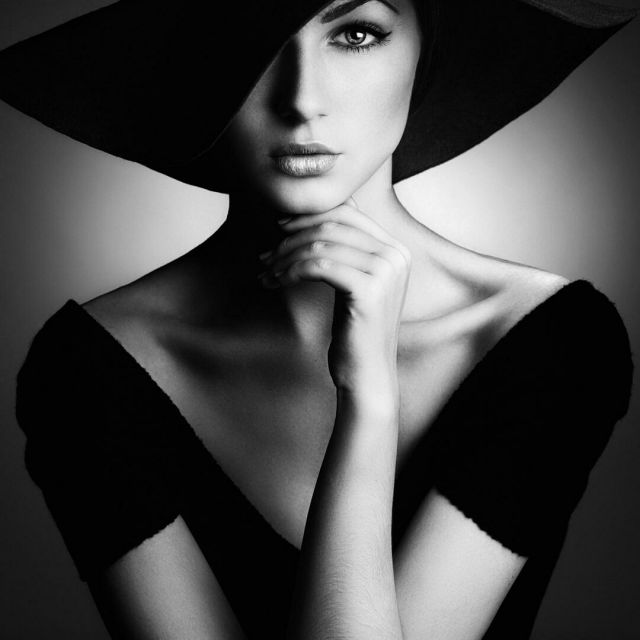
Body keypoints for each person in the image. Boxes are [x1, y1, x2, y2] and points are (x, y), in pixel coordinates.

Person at [2, 0, 636, 638]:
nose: (302, 99)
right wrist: (369, 407)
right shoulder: (88, 370)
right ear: (197, 62)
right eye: (253, 35)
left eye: (356, 33)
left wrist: (371, 401)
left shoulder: (553, 342)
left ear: (425, 53)